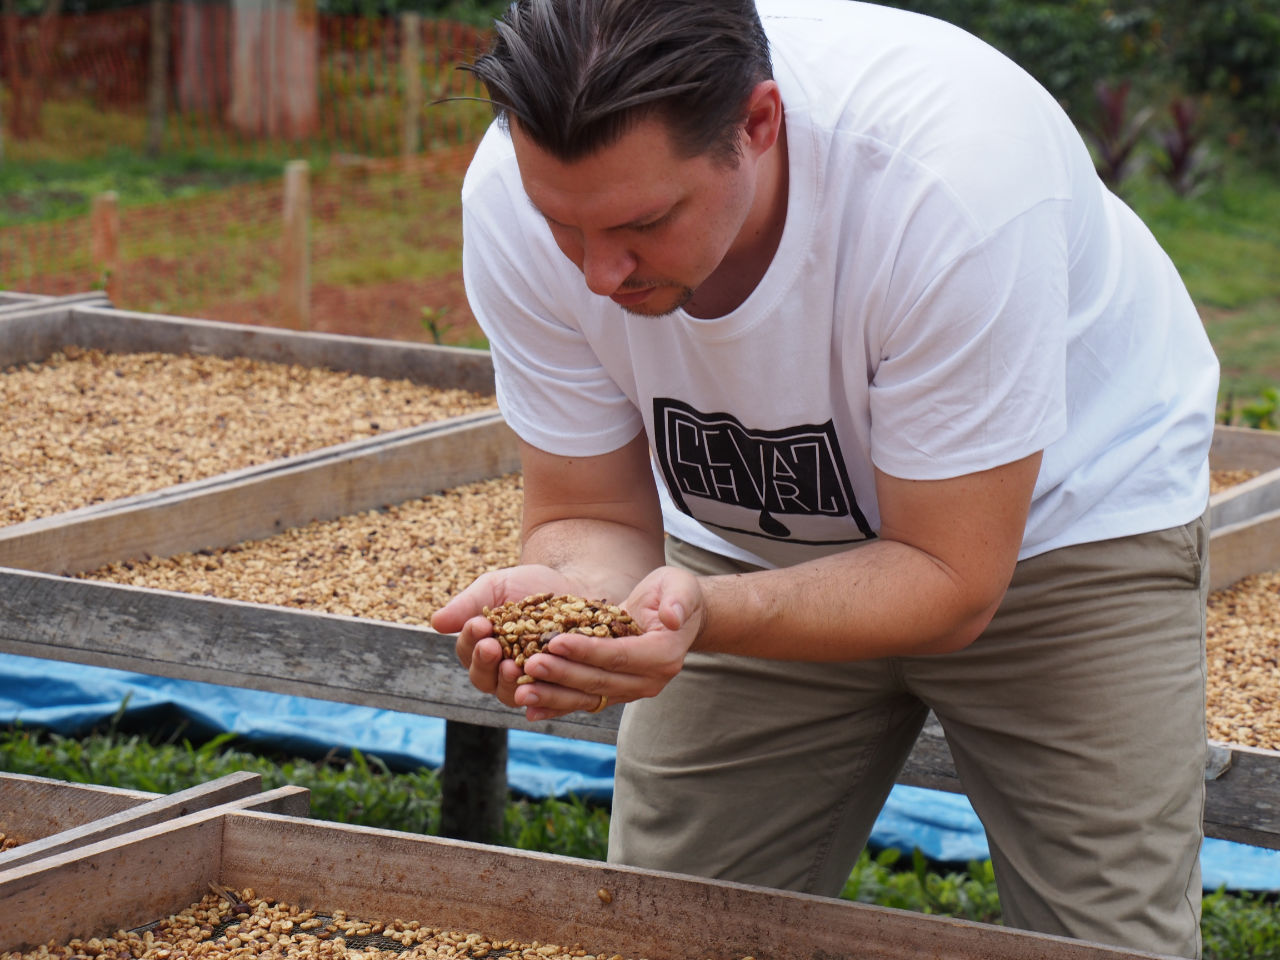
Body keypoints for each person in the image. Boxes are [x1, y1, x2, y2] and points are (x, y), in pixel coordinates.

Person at [430, 0, 1221, 955]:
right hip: (743, 546)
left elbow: (949, 576)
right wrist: (575, 603)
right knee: (661, 927)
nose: (601, 274)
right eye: (568, 226)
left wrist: (700, 618)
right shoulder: (517, 198)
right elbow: (590, 509)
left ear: (758, 125)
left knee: (1102, 941)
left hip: (1061, 536)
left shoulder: (951, 183)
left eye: (643, 223)